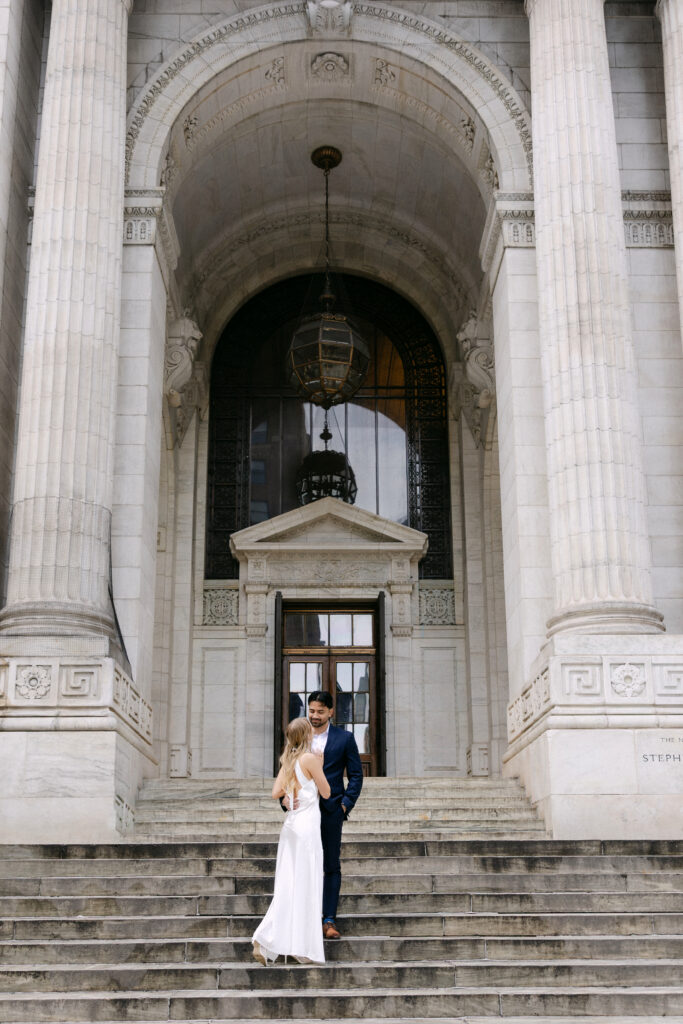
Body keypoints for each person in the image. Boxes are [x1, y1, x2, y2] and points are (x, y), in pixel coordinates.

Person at [252, 717, 331, 965]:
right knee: (307, 885)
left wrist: (289, 794)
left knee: (289, 885)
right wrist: (320, 766)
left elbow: (276, 792)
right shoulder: (309, 759)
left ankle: (265, 938)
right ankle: (301, 947)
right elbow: (327, 792)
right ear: (307, 735)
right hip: (307, 827)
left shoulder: (288, 761)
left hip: (290, 828)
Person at [302, 689, 363, 940]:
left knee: (331, 865)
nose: (314, 716)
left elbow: (356, 775)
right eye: (311, 711)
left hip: (331, 811)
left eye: (319, 712)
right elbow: (286, 770)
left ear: (330, 712)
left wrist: (345, 805)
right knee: (303, 864)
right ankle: (304, 918)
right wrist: (288, 804)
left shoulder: (345, 738)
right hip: (303, 811)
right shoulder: (299, 735)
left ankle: (328, 920)